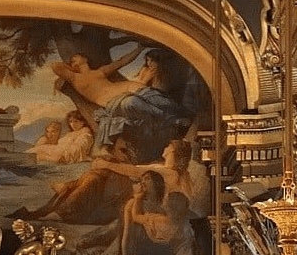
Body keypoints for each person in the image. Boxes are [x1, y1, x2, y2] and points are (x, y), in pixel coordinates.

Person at [51, 49, 193, 163]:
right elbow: (55, 66)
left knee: (162, 101)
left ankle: (186, 116)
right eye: (71, 61)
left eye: (75, 58)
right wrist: (71, 68)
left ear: (85, 59)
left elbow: (122, 62)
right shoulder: (74, 78)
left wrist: (139, 48)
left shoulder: (99, 72)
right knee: (132, 103)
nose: (72, 60)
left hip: (133, 88)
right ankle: (173, 120)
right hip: (116, 102)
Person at [87, 138, 211, 216]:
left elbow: (135, 171)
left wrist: (106, 164)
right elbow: (135, 168)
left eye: (168, 146)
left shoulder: (170, 172)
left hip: (164, 213)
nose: (165, 148)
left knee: (127, 207)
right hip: (165, 210)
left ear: (172, 151)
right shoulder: (170, 170)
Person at [27, 110, 96, 164]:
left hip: (63, 154)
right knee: (37, 150)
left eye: (76, 121)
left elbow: (78, 148)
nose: (73, 124)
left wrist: (63, 155)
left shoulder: (85, 133)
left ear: (82, 122)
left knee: (37, 155)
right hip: (57, 151)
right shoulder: (70, 133)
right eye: (70, 121)